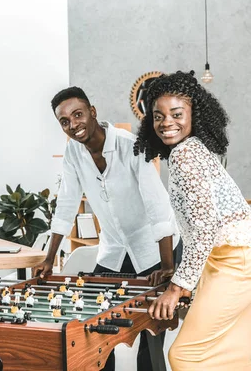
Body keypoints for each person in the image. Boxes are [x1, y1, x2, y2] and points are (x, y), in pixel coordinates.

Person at [33, 86, 181, 371]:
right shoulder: (73, 154)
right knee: (96, 332)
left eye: (78, 114)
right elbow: (65, 205)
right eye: (64, 121)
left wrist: (167, 268)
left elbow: (158, 208)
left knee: (150, 339)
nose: (73, 124)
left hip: (155, 250)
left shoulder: (131, 146)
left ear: (92, 112)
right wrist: (49, 258)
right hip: (113, 251)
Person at [135, 71, 251, 370]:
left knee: (186, 355)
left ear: (193, 114)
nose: (166, 123)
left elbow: (204, 228)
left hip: (234, 262)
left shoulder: (186, 155)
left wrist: (177, 288)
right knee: (237, 349)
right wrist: (179, 275)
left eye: (176, 114)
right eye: (158, 116)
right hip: (230, 258)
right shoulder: (193, 148)